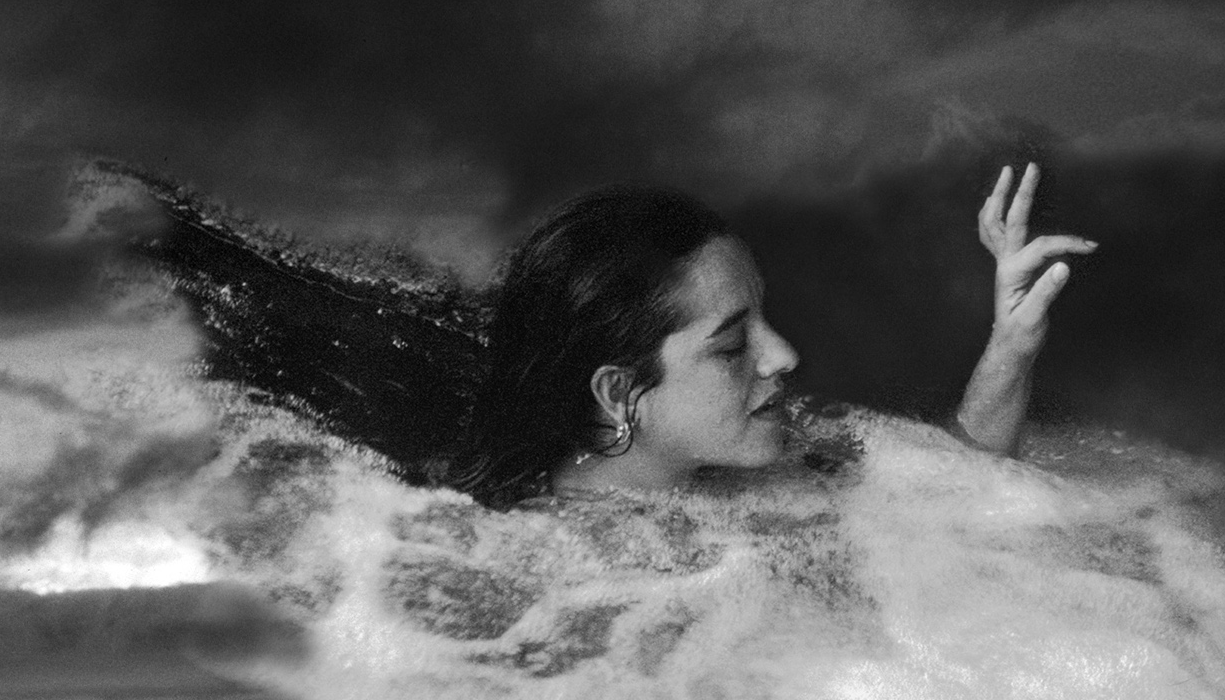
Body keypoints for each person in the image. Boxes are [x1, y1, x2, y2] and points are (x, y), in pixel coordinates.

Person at [442, 163, 1097, 509]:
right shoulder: (570, 576)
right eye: (732, 346)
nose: (783, 354)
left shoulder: (764, 464)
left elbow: (961, 490)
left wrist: (1010, 345)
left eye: (763, 318)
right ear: (618, 394)